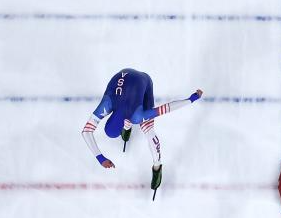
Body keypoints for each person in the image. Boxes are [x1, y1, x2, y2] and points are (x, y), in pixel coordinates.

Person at [80, 68, 203, 196]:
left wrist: (191, 99)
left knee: (148, 130)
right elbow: (86, 131)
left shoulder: (135, 116)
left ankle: (157, 166)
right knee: (131, 116)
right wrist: (100, 158)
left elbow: (167, 108)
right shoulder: (106, 104)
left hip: (145, 82)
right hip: (127, 74)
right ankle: (128, 130)